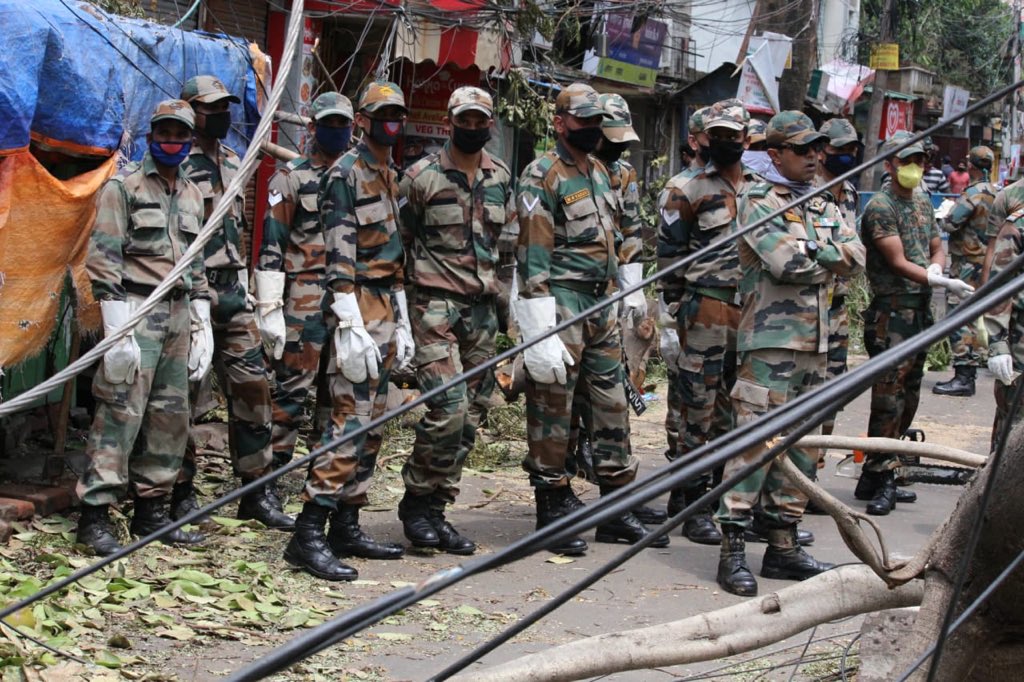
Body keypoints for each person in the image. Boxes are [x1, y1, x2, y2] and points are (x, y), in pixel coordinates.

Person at [715, 111, 865, 597]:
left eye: (817, 148)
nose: (815, 157)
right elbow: (787, 262)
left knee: (804, 447)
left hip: (819, 344)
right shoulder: (758, 198)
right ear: (775, 154)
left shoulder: (824, 196)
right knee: (754, 445)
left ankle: (782, 546)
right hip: (770, 342)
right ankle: (733, 547)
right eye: (803, 150)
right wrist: (829, 256)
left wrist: (822, 253)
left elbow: (858, 257)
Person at [515, 82, 662, 556]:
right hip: (560, 303)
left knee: (613, 403)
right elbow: (533, 256)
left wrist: (628, 289)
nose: (593, 129)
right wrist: (537, 331)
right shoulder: (542, 175)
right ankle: (551, 504)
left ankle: (615, 505)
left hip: (602, 303)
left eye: (598, 121)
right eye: (584, 121)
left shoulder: (600, 171)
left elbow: (617, 237)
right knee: (553, 406)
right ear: (560, 123)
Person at [284, 81, 412, 581]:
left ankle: (347, 523)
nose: (392, 122)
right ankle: (308, 532)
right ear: (363, 119)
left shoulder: (387, 173)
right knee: (349, 418)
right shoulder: (345, 174)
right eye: (383, 114)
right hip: (354, 302)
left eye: (398, 113)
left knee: (374, 422)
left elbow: (393, 254)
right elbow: (339, 250)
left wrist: (400, 318)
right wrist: (350, 320)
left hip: (383, 303)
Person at [75, 100, 211, 555]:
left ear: (191, 139)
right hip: (135, 309)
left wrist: (201, 317)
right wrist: (117, 328)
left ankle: (152, 512)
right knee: (120, 414)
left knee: (171, 419)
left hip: (178, 314)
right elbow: (103, 258)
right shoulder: (124, 187)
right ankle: (94, 517)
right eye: (164, 132)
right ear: (153, 135)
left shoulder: (194, 193)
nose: (172, 141)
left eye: (180, 134)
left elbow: (197, 261)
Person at [258, 93, 384, 556]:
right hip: (305, 296)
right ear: (314, 125)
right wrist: (269, 305)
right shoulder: (291, 179)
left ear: (355, 125)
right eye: (328, 122)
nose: (336, 130)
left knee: (340, 396)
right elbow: (272, 243)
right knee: (291, 391)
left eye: (343, 123)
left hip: (350, 300)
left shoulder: (358, 176)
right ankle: (267, 484)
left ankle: (322, 482)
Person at [396, 86, 514, 555]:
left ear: (490, 122)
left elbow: (504, 248)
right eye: (464, 120)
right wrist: (401, 317)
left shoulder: (501, 176)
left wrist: (513, 307)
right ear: (450, 122)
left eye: (479, 120)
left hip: (482, 312)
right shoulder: (420, 177)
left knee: (473, 417)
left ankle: (437, 509)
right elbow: (397, 246)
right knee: (449, 409)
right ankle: (415, 502)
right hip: (434, 307)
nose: (472, 128)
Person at [176, 75, 291, 529]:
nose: (221, 116)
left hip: (231, 292)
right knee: (182, 398)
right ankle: (178, 493)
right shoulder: (177, 163)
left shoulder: (230, 160)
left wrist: (252, 291)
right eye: (211, 109)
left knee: (253, 387)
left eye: (224, 107)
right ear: (189, 112)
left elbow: (236, 229)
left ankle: (255, 491)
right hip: (190, 294)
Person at [855, 131, 974, 516]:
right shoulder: (881, 207)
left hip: (920, 310)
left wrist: (938, 265)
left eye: (919, 161)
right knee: (888, 397)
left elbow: (936, 242)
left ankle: (880, 470)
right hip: (893, 310)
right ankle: (882, 472)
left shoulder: (923, 199)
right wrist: (934, 278)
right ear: (890, 164)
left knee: (910, 392)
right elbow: (895, 260)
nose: (914, 168)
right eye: (906, 161)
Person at [657, 99, 755, 546]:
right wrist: (676, 312)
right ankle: (691, 501)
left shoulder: (760, 189)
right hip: (705, 310)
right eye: (716, 135)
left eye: (732, 136)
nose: (724, 143)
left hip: (751, 314)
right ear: (705, 139)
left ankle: (721, 498)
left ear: (746, 139)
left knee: (736, 412)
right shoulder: (689, 190)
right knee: (696, 411)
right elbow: (670, 256)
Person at [657, 106, 708, 506]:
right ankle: (684, 481)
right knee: (686, 397)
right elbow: (670, 256)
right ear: (694, 140)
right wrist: (673, 309)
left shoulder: (746, 185)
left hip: (729, 312)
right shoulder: (679, 189)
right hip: (687, 307)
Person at [933, 146, 996, 397]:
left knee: (960, 317)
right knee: (976, 315)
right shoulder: (996, 193)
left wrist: (944, 215)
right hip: (985, 262)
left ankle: (964, 375)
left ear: (972, 166)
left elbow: (951, 223)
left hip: (967, 263)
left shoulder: (972, 195)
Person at [815, 118, 862, 439]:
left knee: (834, 387)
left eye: (851, 149)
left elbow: (856, 254)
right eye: (838, 148)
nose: (846, 155)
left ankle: (817, 462)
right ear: (821, 151)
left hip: (839, 306)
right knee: (806, 390)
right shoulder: (806, 190)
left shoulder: (850, 193)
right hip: (807, 304)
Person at [984, 209, 1024, 448]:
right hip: (1021, 343)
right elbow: (1000, 287)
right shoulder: (1018, 225)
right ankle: (997, 484)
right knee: (1014, 425)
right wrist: (998, 343)